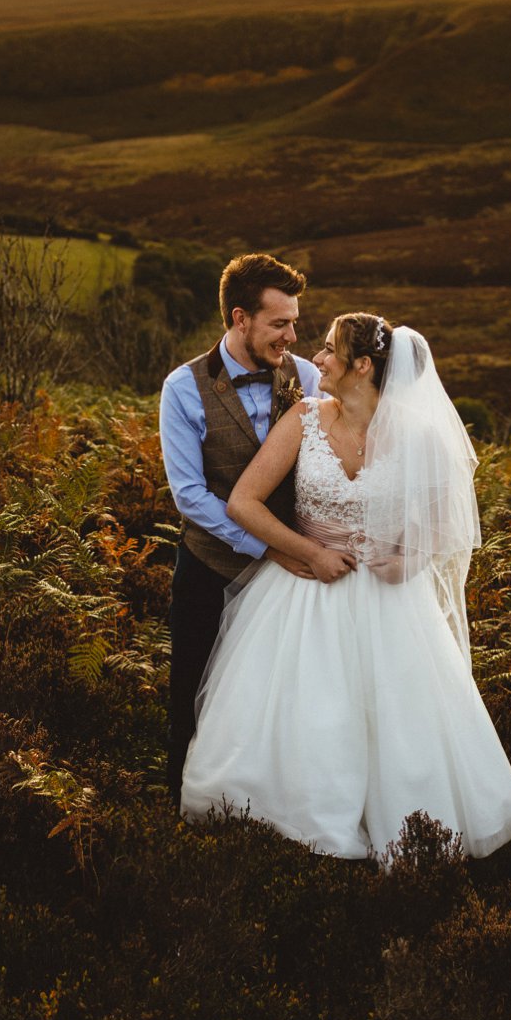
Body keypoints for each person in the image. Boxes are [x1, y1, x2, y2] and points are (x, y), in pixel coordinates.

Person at [179, 312, 511, 861]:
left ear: (362, 365)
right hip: (304, 591)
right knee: (309, 713)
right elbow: (242, 503)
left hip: (392, 602)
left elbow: (450, 521)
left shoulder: (418, 433)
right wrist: (310, 552)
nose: (314, 360)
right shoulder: (304, 418)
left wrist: (409, 561)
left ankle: (407, 828)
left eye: (328, 351)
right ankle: (303, 824)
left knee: (399, 721)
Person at [157, 253, 329, 811]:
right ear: (239, 319)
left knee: (276, 698)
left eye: (295, 323)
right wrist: (267, 547)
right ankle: (180, 804)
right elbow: (189, 496)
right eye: (280, 324)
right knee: (192, 692)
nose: (292, 335)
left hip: (292, 580)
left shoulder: (307, 378)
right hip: (211, 567)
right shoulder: (182, 389)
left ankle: (270, 804)